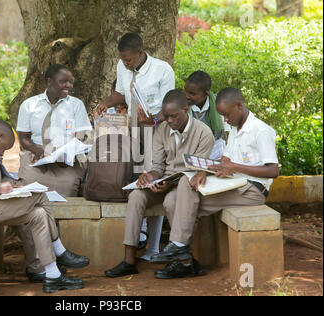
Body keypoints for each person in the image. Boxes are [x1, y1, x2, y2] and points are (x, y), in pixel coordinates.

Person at [149, 87, 279, 279]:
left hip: (252, 190)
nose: (225, 120)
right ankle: (185, 260)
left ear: (239, 106)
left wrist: (234, 167)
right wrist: (203, 170)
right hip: (233, 183)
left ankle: (179, 250)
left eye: (227, 115)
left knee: (183, 201)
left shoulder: (260, 131)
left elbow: (273, 170)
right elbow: (225, 159)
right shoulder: (234, 128)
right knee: (176, 197)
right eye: (222, 116)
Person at [0, 120, 90, 293]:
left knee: (38, 214)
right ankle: (60, 250)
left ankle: (52, 276)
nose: (3, 152)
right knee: (40, 195)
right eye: (4, 147)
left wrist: (9, 188)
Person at [104, 90, 215, 278]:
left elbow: (198, 172)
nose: (169, 121)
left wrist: (168, 182)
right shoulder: (161, 129)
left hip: (186, 185)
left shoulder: (204, 133)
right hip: (163, 182)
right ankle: (129, 260)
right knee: (137, 195)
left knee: (171, 201)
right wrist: (150, 177)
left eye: (174, 116)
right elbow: (157, 166)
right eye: (166, 116)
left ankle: (181, 260)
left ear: (186, 110)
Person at [95, 33, 175, 259]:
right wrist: (106, 103)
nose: (125, 63)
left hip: (156, 131)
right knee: (135, 182)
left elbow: (169, 105)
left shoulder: (162, 70)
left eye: (128, 59)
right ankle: (138, 235)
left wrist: (154, 120)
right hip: (132, 131)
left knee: (153, 182)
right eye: (122, 59)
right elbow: (121, 93)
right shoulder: (123, 68)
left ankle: (153, 248)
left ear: (140, 53)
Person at [16, 64, 93, 197]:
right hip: (38, 159)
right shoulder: (29, 105)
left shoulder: (76, 105)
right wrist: (39, 151)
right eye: (63, 81)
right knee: (29, 184)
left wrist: (65, 153)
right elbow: (23, 138)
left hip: (67, 163)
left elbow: (81, 136)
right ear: (49, 81)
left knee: (69, 186)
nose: (69, 85)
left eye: (70, 82)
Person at [184, 71, 230, 159]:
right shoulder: (181, 105)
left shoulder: (219, 104)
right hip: (189, 149)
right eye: (185, 90)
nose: (187, 96)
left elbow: (225, 134)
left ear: (206, 94)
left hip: (213, 150)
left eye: (192, 93)